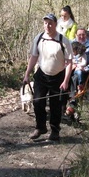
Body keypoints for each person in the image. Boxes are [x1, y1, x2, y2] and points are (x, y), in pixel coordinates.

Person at [23, 13, 73, 141]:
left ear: (55, 24)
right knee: (38, 101)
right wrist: (27, 74)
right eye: (45, 23)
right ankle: (40, 127)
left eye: (50, 23)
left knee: (56, 105)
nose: (48, 25)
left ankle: (55, 130)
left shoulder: (63, 40)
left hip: (58, 76)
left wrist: (66, 80)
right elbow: (34, 56)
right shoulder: (39, 38)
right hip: (41, 74)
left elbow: (68, 62)